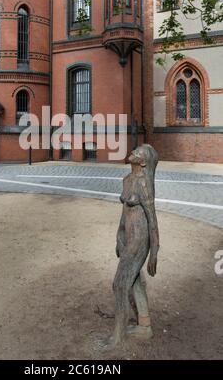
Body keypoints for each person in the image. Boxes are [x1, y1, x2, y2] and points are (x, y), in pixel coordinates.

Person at [108, 144, 160, 347]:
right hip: (127, 236)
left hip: (140, 238)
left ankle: (117, 335)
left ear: (144, 162)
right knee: (134, 279)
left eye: (139, 153)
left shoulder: (143, 184)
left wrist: (154, 251)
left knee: (120, 284)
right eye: (136, 150)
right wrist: (118, 235)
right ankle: (144, 326)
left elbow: (152, 220)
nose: (134, 152)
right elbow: (124, 213)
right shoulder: (127, 179)